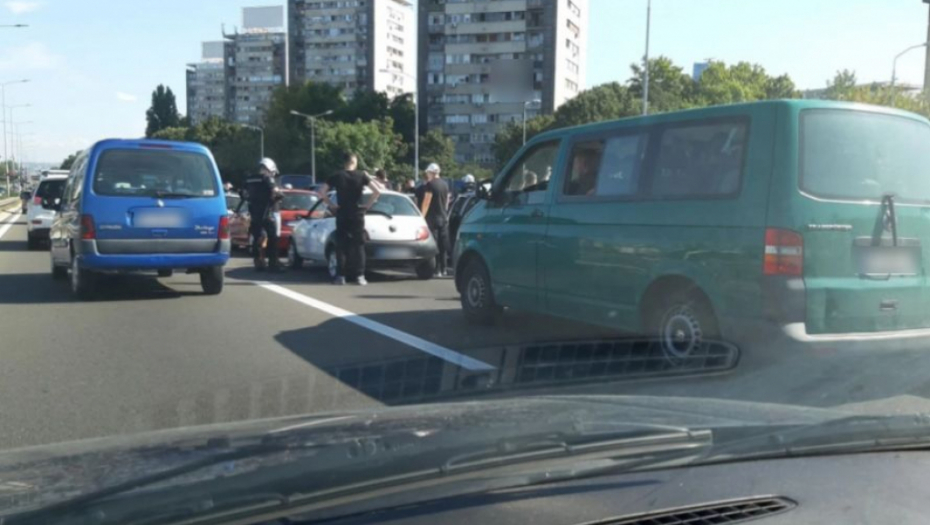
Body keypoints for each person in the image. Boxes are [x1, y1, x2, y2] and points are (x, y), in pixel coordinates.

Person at [317, 151, 381, 286]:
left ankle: (341, 276)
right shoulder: (362, 175)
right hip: (357, 213)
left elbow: (321, 192)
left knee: (341, 245)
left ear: (344, 162)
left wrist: (332, 205)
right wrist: (367, 206)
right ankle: (360, 276)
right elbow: (377, 191)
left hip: (342, 212)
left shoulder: (336, 175)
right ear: (354, 161)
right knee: (359, 245)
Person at [237, 158, 284, 272]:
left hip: (254, 213)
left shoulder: (249, 180)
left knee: (258, 237)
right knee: (273, 239)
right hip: (268, 212)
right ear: (270, 169)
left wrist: (250, 199)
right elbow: (276, 192)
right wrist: (277, 197)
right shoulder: (267, 179)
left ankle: (258, 261)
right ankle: (273, 264)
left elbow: (242, 193)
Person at [420, 163, 451, 277]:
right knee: (443, 245)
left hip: (433, 218)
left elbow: (427, 201)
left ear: (432, 173)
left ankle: (436, 269)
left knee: (435, 244)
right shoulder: (445, 184)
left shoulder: (430, 185)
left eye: (428, 172)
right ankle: (444, 269)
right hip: (443, 217)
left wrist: (422, 216)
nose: (427, 175)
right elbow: (447, 201)